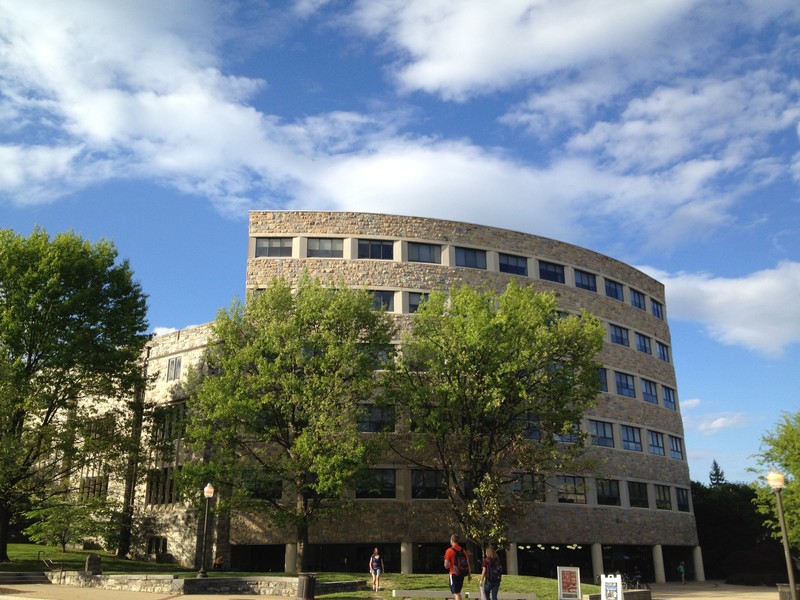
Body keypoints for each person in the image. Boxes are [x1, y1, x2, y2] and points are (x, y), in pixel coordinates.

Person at [444, 534, 471, 600]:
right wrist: (469, 574)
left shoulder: (449, 551)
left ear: (452, 540)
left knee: (456, 593)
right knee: (458, 592)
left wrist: (451, 565)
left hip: (453, 573)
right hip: (461, 573)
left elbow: (446, 565)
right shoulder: (463, 551)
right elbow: (468, 563)